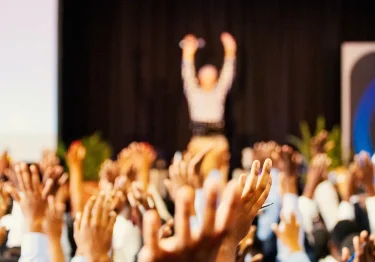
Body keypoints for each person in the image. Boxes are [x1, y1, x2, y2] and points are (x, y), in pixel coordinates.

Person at [180, 32, 236, 183]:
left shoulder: (218, 92)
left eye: (212, 74)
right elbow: (187, 73)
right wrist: (188, 53)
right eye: (205, 74)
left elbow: (228, 74)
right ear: (199, 78)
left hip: (217, 141)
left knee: (220, 181)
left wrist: (230, 51)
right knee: (198, 179)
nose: (209, 76)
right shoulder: (194, 92)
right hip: (199, 140)